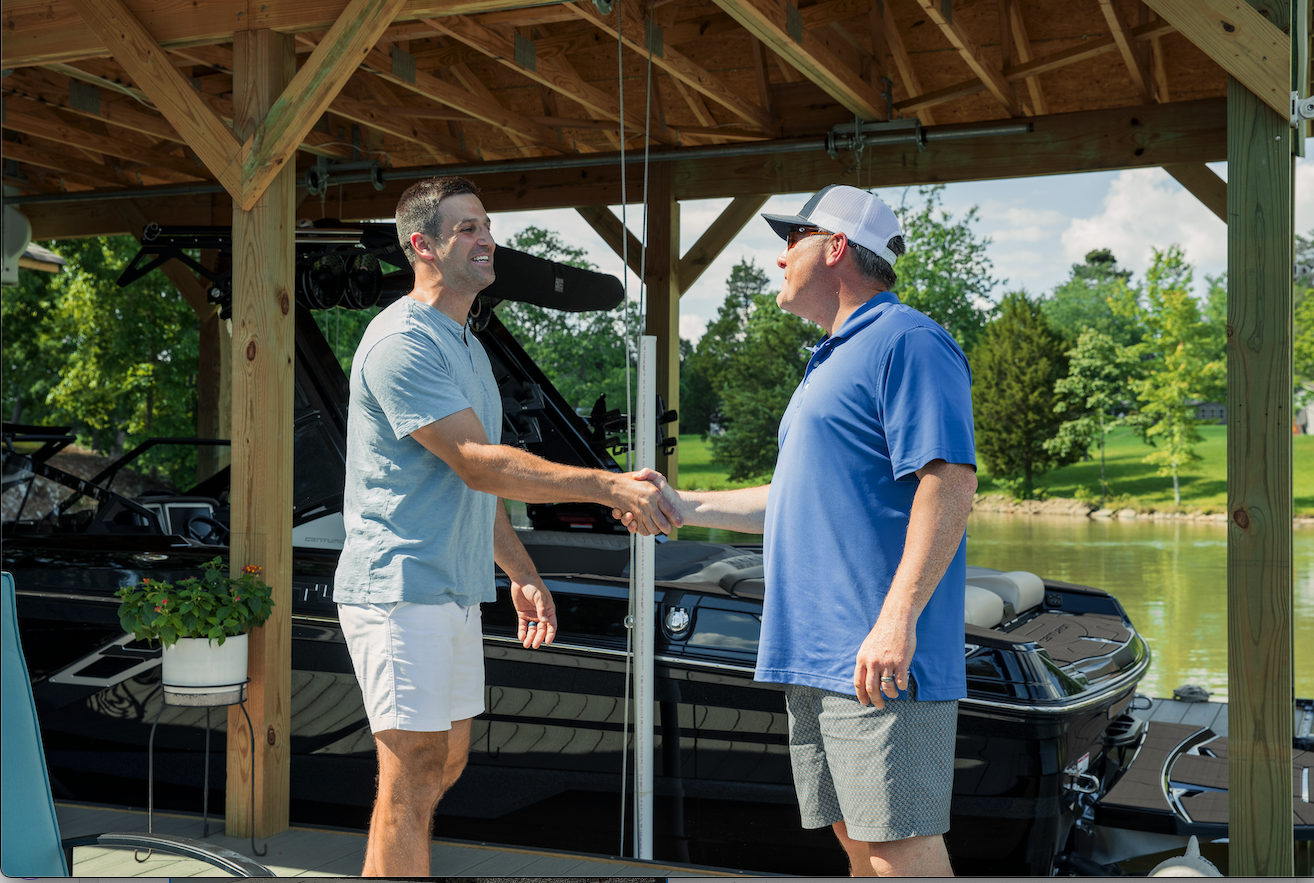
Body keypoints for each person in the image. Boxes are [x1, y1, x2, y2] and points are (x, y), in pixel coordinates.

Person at [333, 175, 682, 877]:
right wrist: (607, 484)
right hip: (399, 588)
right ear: (421, 245)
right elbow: (476, 462)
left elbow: (480, 485)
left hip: (454, 590)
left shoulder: (467, 345)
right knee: (412, 774)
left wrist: (520, 571)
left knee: (446, 762)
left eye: (486, 224)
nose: (486, 239)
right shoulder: (402, 340)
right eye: (466, 227)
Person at [630, 185, 977, 877]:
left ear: (838, 248)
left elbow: (950, 483)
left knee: (896, 845)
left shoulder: (907, 340)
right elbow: (792, 499)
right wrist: (683, 503)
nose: (781, 253)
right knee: (857, 840)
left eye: (796, 237)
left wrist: (896, 620)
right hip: (815, 654)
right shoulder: (828, 359)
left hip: (879, 656)